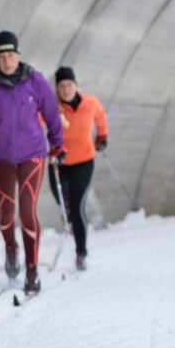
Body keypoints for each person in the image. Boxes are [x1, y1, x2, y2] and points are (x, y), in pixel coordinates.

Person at [0, 31, 66, 293]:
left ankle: (32, 269)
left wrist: (57, 143)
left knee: (27, 210)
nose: (7, 61)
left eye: (11, 55)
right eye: (1, 56)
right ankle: (11, 249)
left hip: (32, 154)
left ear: (18, 55)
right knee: (7, 210)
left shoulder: (35, 80)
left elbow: (51, 114)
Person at [48, 66, 108, 271]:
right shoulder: (52, 107)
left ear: (76, 85)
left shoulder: (90, 103)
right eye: (62, 86)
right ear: (57, 89)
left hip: (83, 162)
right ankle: (71, 220)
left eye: (69, 85)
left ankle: (81, 252)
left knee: (77, 205)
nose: (66, 89)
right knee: (63, 204)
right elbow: (36, 125)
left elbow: (101, 118)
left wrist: (102, 136)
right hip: (59, 163)